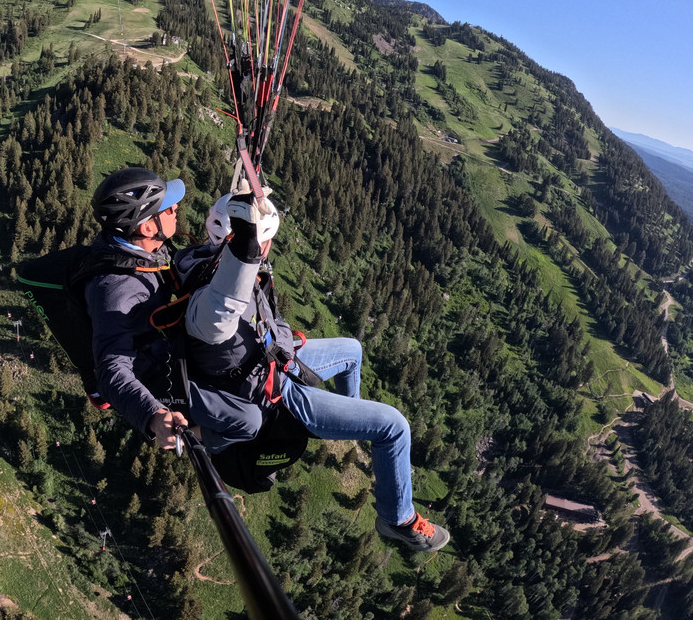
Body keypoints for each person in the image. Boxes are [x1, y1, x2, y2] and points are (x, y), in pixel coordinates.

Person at [182, 190, 451, 554]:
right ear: (256, 245)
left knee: (352, 351)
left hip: (275, 354)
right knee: (394, 427)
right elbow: (220, 313)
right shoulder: (218, 297)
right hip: (273, 391)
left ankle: (344, 423)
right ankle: (397, 519)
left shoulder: (203, 260)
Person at [83, 167, 263, 455]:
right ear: (147, 227)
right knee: (249, 421)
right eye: (167, 209)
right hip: (156, 376)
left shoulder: (144, 249)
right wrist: (154, 416)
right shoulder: (116, 290)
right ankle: (189, 438)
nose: (176, 209)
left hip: (170, 345)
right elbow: (111, 370)